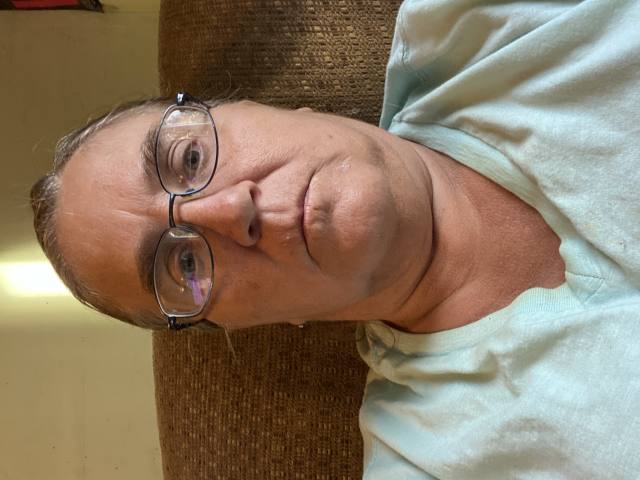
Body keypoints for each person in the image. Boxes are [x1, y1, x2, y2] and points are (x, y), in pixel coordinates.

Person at [31, 0, 639, 478]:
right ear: (245, 324)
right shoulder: (431, 462)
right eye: (185, 264)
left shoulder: (478, 19)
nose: (229, 209)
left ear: (256, 105)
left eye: (190, 158)